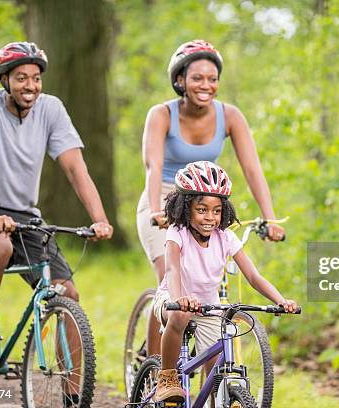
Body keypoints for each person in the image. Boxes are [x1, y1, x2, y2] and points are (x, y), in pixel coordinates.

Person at [0, 41, 113, 404]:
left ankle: (73, 397)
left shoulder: (51, 110)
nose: (31, 85)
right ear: (5, 80)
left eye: (36, 78)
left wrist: (99, 219)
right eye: (21, 77)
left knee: (67, 293)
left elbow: (75, 168)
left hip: (24, 214)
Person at [137, 39, 285, 355]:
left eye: (212, 79)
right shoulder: (161, 114)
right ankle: (155, 369)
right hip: (165, 197)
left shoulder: (230, 115)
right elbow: (153, 165)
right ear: (180, 80)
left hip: (207, 200)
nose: (206, 85)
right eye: (197, 78)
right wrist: (154, 209)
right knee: (170, 277)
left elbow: (252, 169)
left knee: (213, 288)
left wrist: (270, 217)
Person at [150, 161, 297, 403]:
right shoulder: (177, 232)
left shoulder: (225, 237)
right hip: (172, 300)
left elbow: (253, 276)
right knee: (180, 316)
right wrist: (178, 300)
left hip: (208, 308)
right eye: (202, 210)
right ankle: (167, 377)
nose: (210, 218)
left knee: (215, 376)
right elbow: (173, 268)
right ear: (186, 208)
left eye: (216, 211)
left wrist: (281, 301)